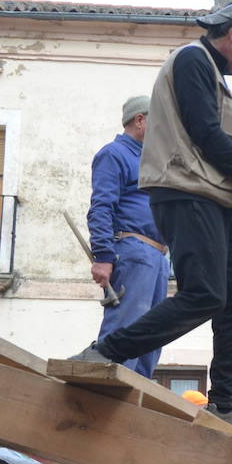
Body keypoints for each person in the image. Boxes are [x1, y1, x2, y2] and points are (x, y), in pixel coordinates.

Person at [68, 2, 232, 422]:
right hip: (186, 195)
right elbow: (204, 132)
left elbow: (209, 144)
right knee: (205, 295)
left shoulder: (211, 74)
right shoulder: (192, 59)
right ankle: (105, 352)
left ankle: (225, 403)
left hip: (211, 199)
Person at [86, 95, 170, 378]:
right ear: (140, 120)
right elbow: (101, 207)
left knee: (153, 332)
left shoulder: (151, 160)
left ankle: (138, 396)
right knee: (127, 326)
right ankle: (111, 391)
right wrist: (103, 257)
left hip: (157, 256)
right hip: (133, 249)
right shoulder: (113, 154)